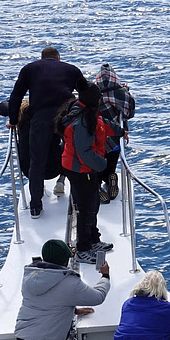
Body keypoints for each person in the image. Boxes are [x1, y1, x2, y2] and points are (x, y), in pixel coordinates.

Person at [7, 46, 89, 218]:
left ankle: (36, 206)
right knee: (72, 156)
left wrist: (14, 120)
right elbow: (86, 94)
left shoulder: (29, 69)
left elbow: (16, 97)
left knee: (37, 161)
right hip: (66, 117)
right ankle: (76, 201)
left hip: (41, 117)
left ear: (41, 58)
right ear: (58, 58)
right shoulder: (71, 69)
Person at [57, 84, 119, 265]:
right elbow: (85, 151)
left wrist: (119, 131)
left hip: (80, 168)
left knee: (93, 204)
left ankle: (93, 239)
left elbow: (103, 126)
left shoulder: (85, 113)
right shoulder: (83, 122)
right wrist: (103, 165)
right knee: (86, 209)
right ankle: (83, 249)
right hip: (82, 170)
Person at [93, 63, 135, 203]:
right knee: (111, 162)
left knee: (97, 163)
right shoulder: (121, 92)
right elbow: (129, 112)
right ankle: (111, 176)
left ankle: (98, 186)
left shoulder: (93, 91)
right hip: (115, 135)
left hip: (97, 136)